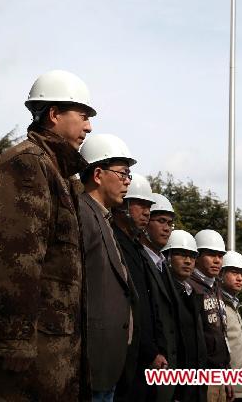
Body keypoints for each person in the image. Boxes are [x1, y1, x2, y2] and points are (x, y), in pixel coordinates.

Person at [0, 69, 96, 402]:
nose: (89, 126)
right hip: (16, 373)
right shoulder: (25, 165)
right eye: (83, 115)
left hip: (43, 365)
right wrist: (15, 341)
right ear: (54, 114)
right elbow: (12, 260)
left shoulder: (62, 176)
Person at [79, 134, 139, 402]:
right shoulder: (82, 213)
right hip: (88, 365)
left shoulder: (103, 219)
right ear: (99, 174)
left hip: (106, 367)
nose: (128, 181)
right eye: (123, 173)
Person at [112, 173, 161, 402]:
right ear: (123, 204)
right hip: (124, 360)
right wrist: (148, 351)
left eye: (149, 206)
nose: (147, 212)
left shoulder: (135, 247)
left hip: (143, 361)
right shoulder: (114, 241)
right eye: (141, 204)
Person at [140, 193, 185, 402]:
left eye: (170, 223)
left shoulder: (163, 266)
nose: (167, 228)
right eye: (160, 221)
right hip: (146, 370)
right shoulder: (137, 258)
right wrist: (150, 352)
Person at [188, 230, 233, 402]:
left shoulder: (216, 288)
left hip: (220, 376)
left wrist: (227, 374)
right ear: (197, 256)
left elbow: (221, 336)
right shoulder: (189, 286)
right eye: (211, 255)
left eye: (220, 256)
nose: (217, 261)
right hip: (201, 378)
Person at [162, 230, 207, 402]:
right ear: (167, 257)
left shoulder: (191, 293)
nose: (188, 261)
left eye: (192, 256)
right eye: (181, 255)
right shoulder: (165, 292)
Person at [220, 252, 242, 402]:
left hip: (240, 388)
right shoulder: (218, 303)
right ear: (221, 274)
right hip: (228, 389)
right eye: (234, 272)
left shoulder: (235, 305)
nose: (239, 278)